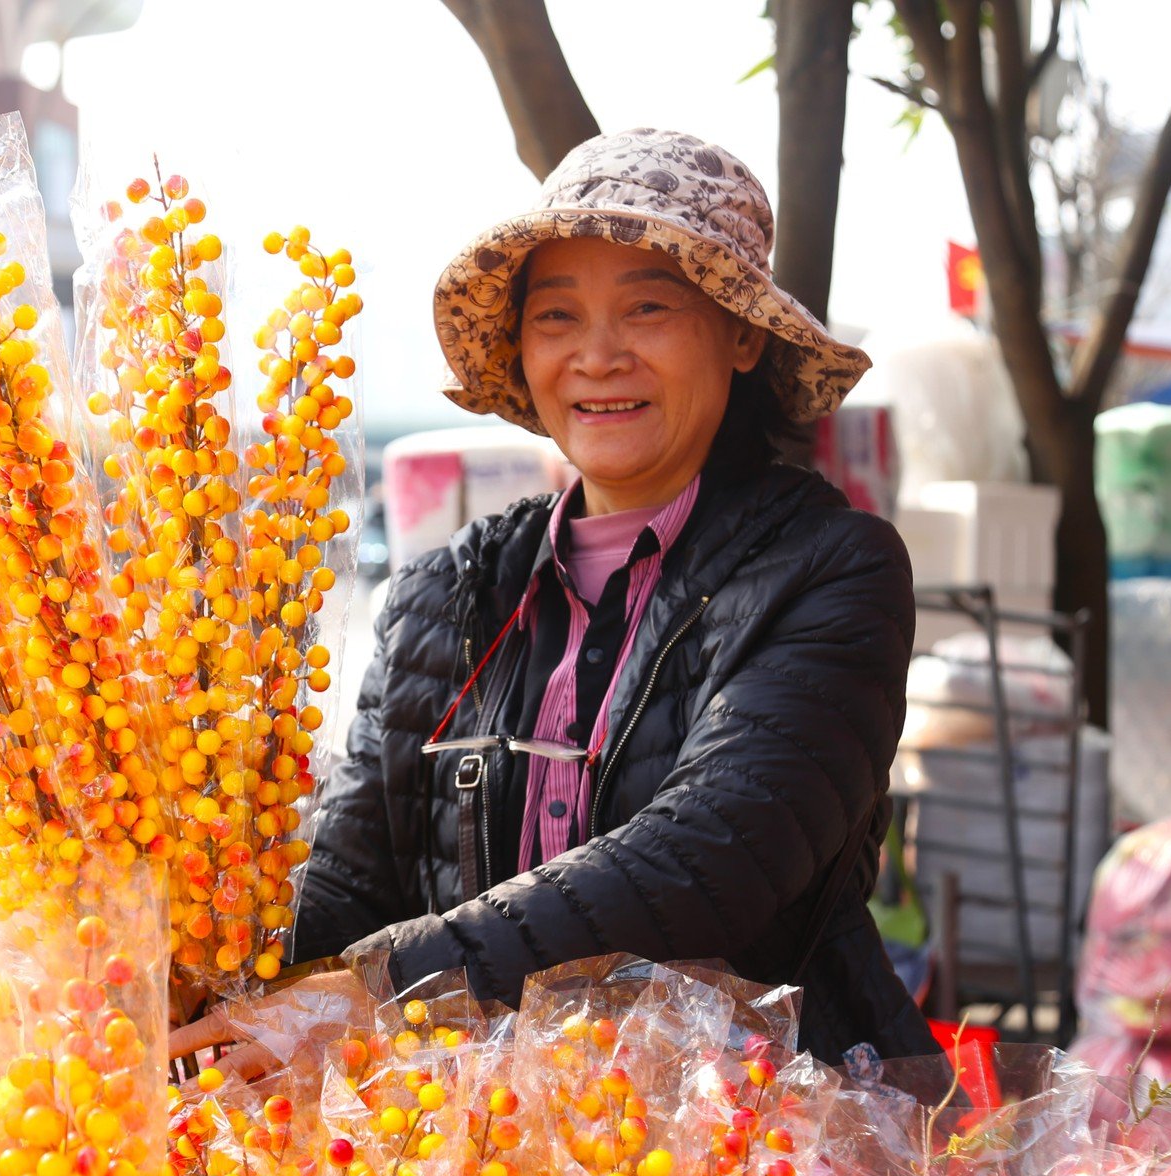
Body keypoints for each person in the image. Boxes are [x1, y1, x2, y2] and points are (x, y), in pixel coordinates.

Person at [178, 127, 938, 1069]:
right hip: (476, 1162)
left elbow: (706, 859)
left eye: (648, 308)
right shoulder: (446, 594)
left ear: (741, 333)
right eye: (556, 318)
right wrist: (197, 950)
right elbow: (349, 880)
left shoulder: (830, 569)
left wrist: (387, 984)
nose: (598, 356)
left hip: (766, 1150)